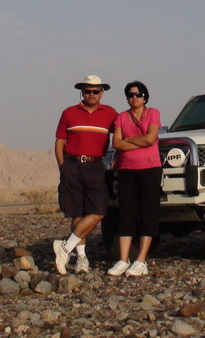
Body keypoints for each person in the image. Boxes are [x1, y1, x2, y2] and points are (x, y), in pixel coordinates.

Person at [53, 75, 118, 275]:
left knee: (98, 210)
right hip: (72, 164)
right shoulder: (69, 113)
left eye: (95, 91)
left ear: (102, 93)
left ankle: (65, 247)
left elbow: (121, 135)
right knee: (77, 213)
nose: (91, 94)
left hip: (96, 166)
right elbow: (59, 141)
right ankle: (81, 259)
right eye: (87, 91)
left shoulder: (110, 114)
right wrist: (63, 166)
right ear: (82, 92)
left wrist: (118, 157)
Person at [106, 80, 162, 277]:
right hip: (127, 169)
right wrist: (137, 142)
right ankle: (123, 259)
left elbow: (150, 138)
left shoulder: (153, 113)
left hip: (150, 168)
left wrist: (129, 140)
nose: (134, 98)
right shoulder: (121, 117)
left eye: (137, 94)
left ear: (145, 96)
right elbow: (117, 143)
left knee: (148, 211)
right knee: (126, 212)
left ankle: (141, 260)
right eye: (130, 95)